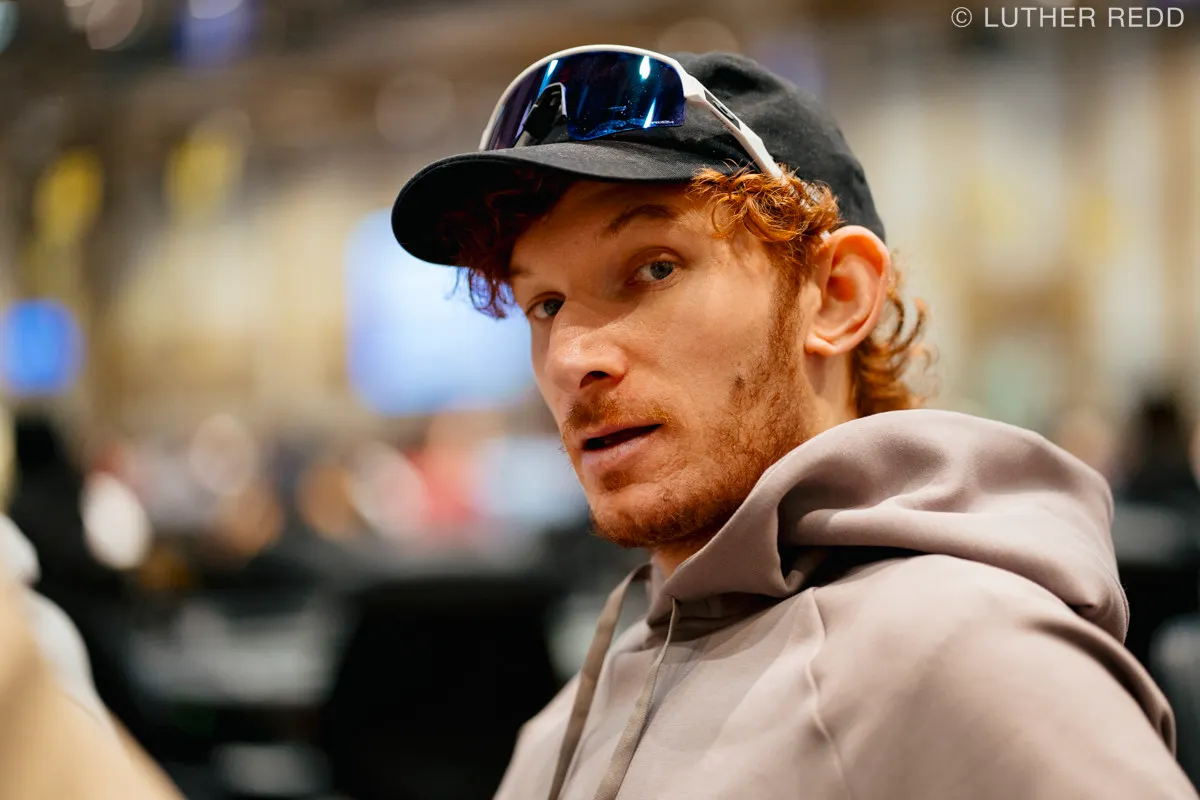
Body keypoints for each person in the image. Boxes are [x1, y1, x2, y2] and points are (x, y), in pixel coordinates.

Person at [390, 47, 1197, 798]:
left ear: (837, 295)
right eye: (544, 304)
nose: (571, 357)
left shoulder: (967, 660)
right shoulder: (558, 728)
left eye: (654, 268)